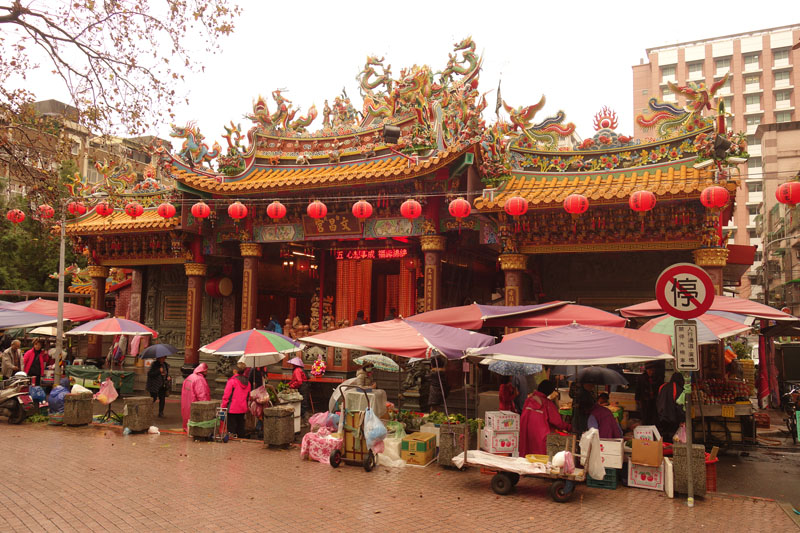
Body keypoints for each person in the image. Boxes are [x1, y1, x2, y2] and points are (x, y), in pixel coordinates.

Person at [519, 380, 570, 456]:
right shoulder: (547, 404)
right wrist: (569, 427)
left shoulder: (528, 400)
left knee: (527, 457)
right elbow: (557, 422)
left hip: (526, 435)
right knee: (540, 460)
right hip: (540, 438)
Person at [222, 362, 251, 437]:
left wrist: (223, 407)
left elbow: (226, 396)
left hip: (232, 408)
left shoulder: (232, 381)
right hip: (243, 408)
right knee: (240, 428)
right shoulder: (248, 382)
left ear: (235, 371)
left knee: (232, 430)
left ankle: (233, 445)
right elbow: (249, 397)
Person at [181, 362, 211, 432]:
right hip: (195, 404)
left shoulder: (190, 376)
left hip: (186, 403)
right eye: (206, 371)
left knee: (187, 417)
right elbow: (202, 394)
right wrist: (206, 405)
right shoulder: (199, 379)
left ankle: (187, 427)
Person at [656, 372, 686, 443]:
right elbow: (679, 405)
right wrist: (682, 419)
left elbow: (657, 401)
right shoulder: (678, 388)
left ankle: (664, 450)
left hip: (661, 417)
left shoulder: (662, 386)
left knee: (663, 437)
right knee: (673, 438)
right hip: (673, 418)